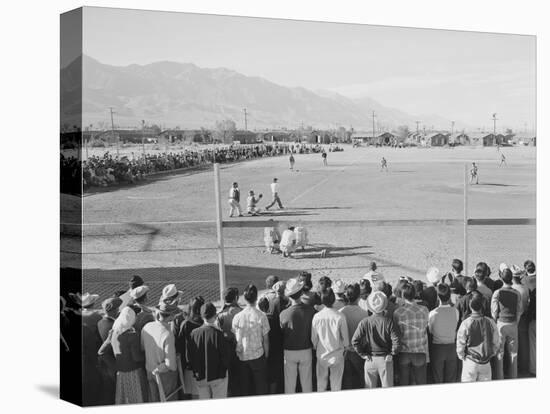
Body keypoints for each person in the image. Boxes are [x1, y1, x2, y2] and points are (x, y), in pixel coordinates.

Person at [352, 291, 400, 388]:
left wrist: (362, 354)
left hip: (370, 360)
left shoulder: (364, 322)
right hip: (385, 359)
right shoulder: (389, 322)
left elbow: (355, 341)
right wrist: (392, 353)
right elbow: (396, 341)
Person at [231, 284, 270, 396]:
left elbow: (235, 337)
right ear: (256, 298)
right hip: (258, 356)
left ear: (244, 297)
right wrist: (266, 356)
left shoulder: (237, 317)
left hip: (243, 357)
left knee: (245, 389)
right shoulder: (262, 316)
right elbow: (266, 339)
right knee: (261, 389)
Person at [279, 278, 316, 393]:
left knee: (289, 384)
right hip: (306, 350)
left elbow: (282, 332)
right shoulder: (311, 311)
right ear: (301, 293)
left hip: (289, 351)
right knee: (307, 383)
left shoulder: (283, 314)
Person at [188, 303, 230, 399]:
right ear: (215, 316)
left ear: (201, 316)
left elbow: (189, 357)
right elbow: (226, 357)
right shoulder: (219, 334)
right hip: (218, 377)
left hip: (200, 377)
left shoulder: (193, 334)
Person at [107, 307, 148, 404]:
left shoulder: (114, 332)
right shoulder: (132, 335)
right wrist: (147, 355)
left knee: (124, 400)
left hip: (120, 372)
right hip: (133, 373)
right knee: (136, 399)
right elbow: (137, 357)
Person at [311, 288, 349, 392]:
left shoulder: (317, 317)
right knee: (336, 386)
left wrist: (315, 347)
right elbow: (345, 339)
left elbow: (314, 338)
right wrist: (345, 348)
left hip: (322, 355)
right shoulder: (340, 316)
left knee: (321, 386)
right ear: (333, 300)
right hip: (337, 355)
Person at [141, 301, 180, 402]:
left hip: (149, 371)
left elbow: (142, 348)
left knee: (154, 402)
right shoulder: (168, 334)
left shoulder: (146, 326)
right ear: (171, 316)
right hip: (164, 375)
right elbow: (171, 365)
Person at [456, 292, 500, 382]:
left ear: (469, 305)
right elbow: (496, 341)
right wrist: (493, 353)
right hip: (486, 362)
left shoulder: (466, 323)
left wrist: (461, 356)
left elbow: (460, 343)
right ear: (482, 305)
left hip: (470, 361)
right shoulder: (490, 322)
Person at [392, 282, 429, 386]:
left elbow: (396, 332)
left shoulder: (398, 312)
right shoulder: (424, 310)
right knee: (421, 383)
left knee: (404, 383)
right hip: (420, 351)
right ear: (415, 294)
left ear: (403, 296)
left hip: (404, 352)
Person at [491, 268, 522, 379]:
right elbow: (519, 310)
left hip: (501, 323)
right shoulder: (517, 293)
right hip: (513, 323)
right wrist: (516, 322)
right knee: (513, 353)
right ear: (511, 279)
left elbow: (494, 311)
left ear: (501, 278)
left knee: (500, 353)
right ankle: (514, 377)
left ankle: (500, 377)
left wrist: (495, 322)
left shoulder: (497, 293)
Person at [339, 283, 369, 389]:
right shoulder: (364, 313)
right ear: (359, 296)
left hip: (345, 352)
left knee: (347, 380)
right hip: (359, 352)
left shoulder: (340, 312)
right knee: (361, 379)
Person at [174, 296, 204, 399]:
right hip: (205, 366)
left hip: (190, 368)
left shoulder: (186, 324)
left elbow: (179, 346)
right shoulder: (206, 324)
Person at [428, 284, 459, 383]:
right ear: (450, 296)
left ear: (438, 296)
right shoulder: (455, 311)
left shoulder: (433, 313)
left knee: (438, 379)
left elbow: (430, 330)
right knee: (451, 380)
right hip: (451, 348)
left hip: (438, 348)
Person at [216, 287, 242, 397]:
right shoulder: (241, 312)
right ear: (236, 298)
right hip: (240, 349)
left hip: (226, 351)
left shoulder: (220, 315)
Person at [97, 297, 123, 405]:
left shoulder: (100, 322)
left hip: (104, 363)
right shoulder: (115, 326)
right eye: (117, 309)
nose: (119, 311)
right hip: (114, 363)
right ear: (114, 311)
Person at [510, 265, 530, 375]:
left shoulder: (513, 289)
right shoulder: (524, 288)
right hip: (523, 318)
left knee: (513, 345)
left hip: (514, 318)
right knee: (523, 344)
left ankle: (514, 368)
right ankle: (523, 368)